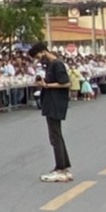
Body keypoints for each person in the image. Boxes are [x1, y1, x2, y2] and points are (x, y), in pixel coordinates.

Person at [30, 41, 73, 181]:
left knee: (55, 136)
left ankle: (61, 168)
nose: (38, 59)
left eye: (37, 56)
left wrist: (47, 85)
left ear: (43, 51)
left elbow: (66, 82)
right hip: (50, 102)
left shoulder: (57, 64)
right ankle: (62, 166)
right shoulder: (49, 65)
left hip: (56, 102)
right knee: (56, 136)